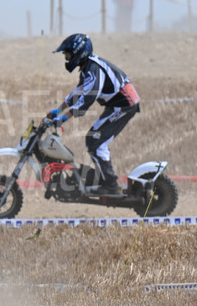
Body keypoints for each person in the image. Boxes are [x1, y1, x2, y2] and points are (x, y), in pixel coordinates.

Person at [46, 34, 141, 196]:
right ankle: (105, 180)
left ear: (78, 53)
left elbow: (86, 101)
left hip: (124, 105)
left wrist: (62, 119)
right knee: (93, 139)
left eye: (68, 54)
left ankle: (110, 185)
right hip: (116, 105)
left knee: (96, 141)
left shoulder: (93, 70)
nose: (67, 58)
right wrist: (58, 110)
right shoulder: (88, 68)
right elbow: (77, 93)